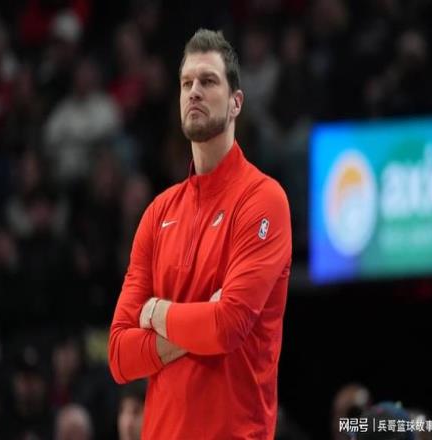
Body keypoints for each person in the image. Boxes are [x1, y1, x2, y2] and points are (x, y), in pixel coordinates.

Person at [108, 28, 292, 439]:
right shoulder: (157, 213)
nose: (194, 91)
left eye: (208, 81)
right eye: (186, 83)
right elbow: (119, 355)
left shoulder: (264, 200)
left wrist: (157, 313)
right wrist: (199, 321)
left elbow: (227, 326)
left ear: (236, 102)